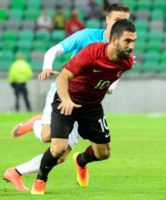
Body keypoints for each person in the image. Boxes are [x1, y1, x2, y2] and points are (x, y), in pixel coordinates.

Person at [3, 3, 131, 191]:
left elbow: (117, 75)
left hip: (86, 103)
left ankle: (15, 172)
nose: (122, 24)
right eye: (118, 20)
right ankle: (35, 124)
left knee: (60, 154)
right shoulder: (86, 36)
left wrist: (109, 86)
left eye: (126, 20)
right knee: (47, 136)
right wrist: (47, 67)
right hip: (64, 93)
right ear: (108, 19)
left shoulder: (124, 47)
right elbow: (54, 50)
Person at [30, 19, 136, 195]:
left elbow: (106, 77)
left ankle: (80, 160)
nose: (132, 46)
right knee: (58, 148)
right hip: (67, 100)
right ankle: (41, 179)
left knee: (104, 153)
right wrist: (65, 100)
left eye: (134, 41)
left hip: (92, 107)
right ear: (114, 40)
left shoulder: (127, 62)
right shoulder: (92, 52)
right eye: (128, 41)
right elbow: (62, 78)